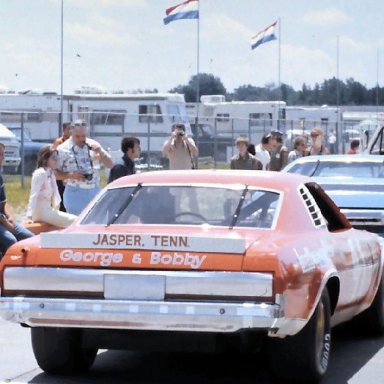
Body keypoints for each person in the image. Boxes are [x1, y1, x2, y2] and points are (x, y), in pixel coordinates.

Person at [55, 119, 113, 215]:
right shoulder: (62, 149)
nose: (81, 139)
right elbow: (53, 173)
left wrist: (101, 152)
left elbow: (110, 164)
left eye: (83, 136)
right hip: (75, 192)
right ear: (71, 132)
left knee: (99, 221)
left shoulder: (93, 145)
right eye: (77, 136)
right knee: (79, 223)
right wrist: (70, 175)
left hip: (94, 189)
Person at [26, 145, 77, 228]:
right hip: (40, 212)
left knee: (74, 220)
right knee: (75, 220)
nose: (56, 161)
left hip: (48, 210)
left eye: (57, 158)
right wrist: (29, 216)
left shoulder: (50, 173)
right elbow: (33, 196)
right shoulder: (40, 173)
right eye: (53, 158)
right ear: (45, 159)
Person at [0, 143, 33, 258]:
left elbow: (4, 202)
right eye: (0, 155)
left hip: (3, 219)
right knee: (11, 241)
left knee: (29, 237)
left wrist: (10, 217)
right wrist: (7, 225)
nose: (2, 158)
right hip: (1, 222)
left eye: (3, 154)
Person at [53, 122, 72, 212]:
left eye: (72, 128)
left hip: (70, 173)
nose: (71, 131)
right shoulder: (60, 142)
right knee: (62, 196)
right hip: (61, 173)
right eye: (68, 129)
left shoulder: (73, 142)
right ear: (63, 130)